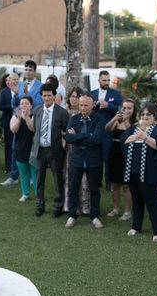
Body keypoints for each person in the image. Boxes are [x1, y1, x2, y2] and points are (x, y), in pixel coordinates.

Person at [120, 103, 157, 242]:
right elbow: (123, 141)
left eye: (149, 115)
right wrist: (137, 136)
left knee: (152, 202)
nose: (145, 117)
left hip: (151, 173)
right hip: (133, 171)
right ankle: (136, 226)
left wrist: (144, 137)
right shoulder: (133, 128)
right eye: (143, 115)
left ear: (154, 117)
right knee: (137, 200)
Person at [64, 93, 106, 229]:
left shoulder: (99, 119)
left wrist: (77, 136)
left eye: (86, 105)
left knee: (94, 189)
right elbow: (68, 139)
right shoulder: (74, 119)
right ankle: (72, 215)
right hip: (77, 159)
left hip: (93, 160)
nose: (83, 107)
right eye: (81, 105)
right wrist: (87, 135)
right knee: (73, 188)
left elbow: (97, 139)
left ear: (92, 105)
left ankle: (94, 216)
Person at [30, 85, 69, 217]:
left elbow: (66, 132)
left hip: (55, 150)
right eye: (44, 95)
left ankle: (58, 207)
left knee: (57, 179)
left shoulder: (62, 112)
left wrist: (63, 143)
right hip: (40, 150)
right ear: (41, 96)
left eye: (49, 95)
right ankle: (40, 205)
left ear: (54, 96)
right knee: (39, 179)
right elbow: (35, 131)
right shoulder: (36, 110)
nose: (47, 98)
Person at [105, 99, 137, 222]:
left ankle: (128, 211)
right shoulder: (117, 120)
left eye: (129, 108)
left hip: (128, 154)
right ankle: (115, 208)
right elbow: (107, 128)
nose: (126, 110)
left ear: (133, 110)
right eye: (124, 108)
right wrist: (114, 119)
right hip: (114, 153)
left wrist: (126, 121)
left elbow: (132, 134)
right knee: (114, 184)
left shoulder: (135, 122)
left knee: (126, 185)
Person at [91, 70, 123, 188]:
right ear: (99, 80)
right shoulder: (92, 93)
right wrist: (92, 107)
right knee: (96, 156)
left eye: (108, 80)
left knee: (108, 157)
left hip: (109, 131)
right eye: (104, 80)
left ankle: (108, 182)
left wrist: (108, 105)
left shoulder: (115, 94)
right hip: (94, 131)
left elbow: (120, 108)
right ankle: (97, 180)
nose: (107, 82)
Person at [63, 86, 90, 216]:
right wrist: (69, 136)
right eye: (72, 96)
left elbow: (84, 133)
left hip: (83, 149)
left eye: (77, 97)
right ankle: (70, 205)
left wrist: (75, 135)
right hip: (68, 148)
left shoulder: (85, 113)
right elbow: (65, 132)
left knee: (84, 178)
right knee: (70, 176)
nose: (74, 99)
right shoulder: (64, 111)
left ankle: (84, 206)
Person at [10, 96, 35, 202]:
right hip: (20, 148)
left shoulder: (34, 115)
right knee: (23, 173)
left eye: (26, 103)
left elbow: (32, 128)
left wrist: (27, 117)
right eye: (22, 103)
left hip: (33, 149)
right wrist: (20, 118)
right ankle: (25, 194)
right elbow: (13, 130)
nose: (24, 105)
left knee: (35, 174)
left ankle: (39, 194)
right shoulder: (16, 116)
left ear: (31, 106)